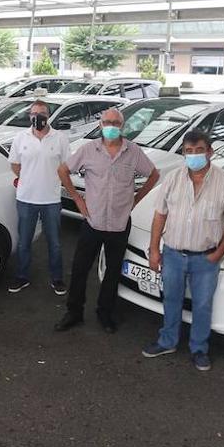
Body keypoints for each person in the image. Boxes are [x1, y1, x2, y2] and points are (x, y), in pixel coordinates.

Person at [141, 130, 224, 371]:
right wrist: (154, 250)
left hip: (205, 258)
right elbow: (160, 215)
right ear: (183, 153)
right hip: (173, 254)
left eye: (199, 150)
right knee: (171, 299)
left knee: (202, 305)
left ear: (210, 152)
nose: (194, 155)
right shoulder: (173, 179)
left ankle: (199, 349)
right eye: (188, 151)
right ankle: (167, 341)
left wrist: (218, 254)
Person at [56, 107, 159, 333]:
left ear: (122, 126)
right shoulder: (88, 149)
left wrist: (136, 199)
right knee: (80, 268)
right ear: (101, 125)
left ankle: (105, 313)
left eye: (115, 122)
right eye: (107, 122)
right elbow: (63, 170)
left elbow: (154, 174)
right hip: (93, 222)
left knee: (113, 272)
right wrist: (77, 199)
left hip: (120, 223)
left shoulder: (133, 152)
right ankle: (74, 312)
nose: (111, 126)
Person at [7, 99, 70, 295]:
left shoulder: (60, 138)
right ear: (29, 116)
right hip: (26, 199)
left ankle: (57, 278)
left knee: (55, 243)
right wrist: (28, 178)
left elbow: (65, 167)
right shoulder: (20, 138)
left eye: (41, 113)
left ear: (48, 115)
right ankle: (22, 276)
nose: (37, 117)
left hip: (51, 200)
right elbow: (15, 165)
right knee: (24, 241)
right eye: (34, 114)